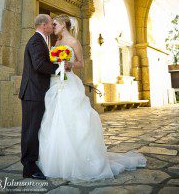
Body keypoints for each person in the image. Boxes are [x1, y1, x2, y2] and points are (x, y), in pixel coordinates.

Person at [36, 14, 147, 181]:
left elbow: (81, 62)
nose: (53, 27)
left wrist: (70, 64)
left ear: (63, 25)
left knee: (74, 119)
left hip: (69, 83)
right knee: (54, 119)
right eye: (52, 24)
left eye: (55, 24)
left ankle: (79, 160)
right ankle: (57, 160)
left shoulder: (73, 42)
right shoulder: (56, 43)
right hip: (56, 83)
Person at [19, 14, 59, 179]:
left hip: (36, 92)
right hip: (33, 92)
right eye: (51, 23)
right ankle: (29, 167)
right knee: (30, 130)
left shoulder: (41, 40)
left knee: (33, 128)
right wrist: (59, 67)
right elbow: (39, 65)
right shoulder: (36, 41)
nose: (52, 26)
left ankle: (33, 162)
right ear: (43, 25)